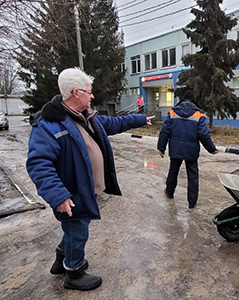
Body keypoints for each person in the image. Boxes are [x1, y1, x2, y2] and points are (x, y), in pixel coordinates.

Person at [26, 68, 154, 291]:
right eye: (89, 91)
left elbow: (114, 124)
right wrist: (58, 196)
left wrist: (140, 119)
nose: (92, 96)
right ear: (76, 93)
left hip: (85, 189)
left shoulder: (86, 116)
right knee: (78, 232)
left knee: (73, 229)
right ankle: (74, 273)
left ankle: (61, 260)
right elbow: (39, 164)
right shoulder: (49, 125)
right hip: (72, 193)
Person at [157, 90, 218, 209]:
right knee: (193, 175)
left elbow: (165, 131)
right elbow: (204, 134)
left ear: (182, 100)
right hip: (191, 150)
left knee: (173, 171)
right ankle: (192, 201)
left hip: (175, 149)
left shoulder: (173, 112)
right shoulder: (199, 114)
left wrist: (161, 147)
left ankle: (169, 192)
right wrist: (211, 149)